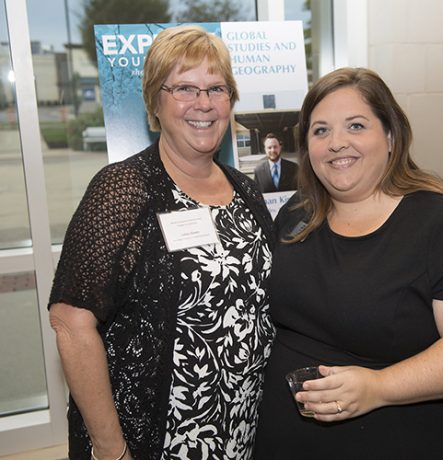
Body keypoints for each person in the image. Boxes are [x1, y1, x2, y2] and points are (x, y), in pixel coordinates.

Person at [253, 67, 443, 460]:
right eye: (321, 130)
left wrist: (379, 387)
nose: (336, 143)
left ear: (391, 137)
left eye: (356, 125)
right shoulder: (297, 214)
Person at [48, 25, 275, 460]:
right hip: (155, 440)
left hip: (241, 431)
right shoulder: (123, 189)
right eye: (185, 88)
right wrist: (111, 450)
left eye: (216, 88)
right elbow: (71, 323)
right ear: (155, 101)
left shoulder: (245, 190)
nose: (204, 103)